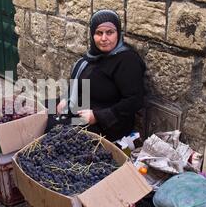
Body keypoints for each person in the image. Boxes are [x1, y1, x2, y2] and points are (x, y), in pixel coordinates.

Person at [56, 9, 146, 142]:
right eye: (99, 33)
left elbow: (134, 100)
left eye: (110, 32)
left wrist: (97, 116)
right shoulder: (94, 57)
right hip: (84, 109)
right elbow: (82, 84)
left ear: (118, 34)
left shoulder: (127, 60)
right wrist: (66, 98)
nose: (104, 38)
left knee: (60, 135)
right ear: (92, 35)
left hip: (110, 124)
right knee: (46, 113)